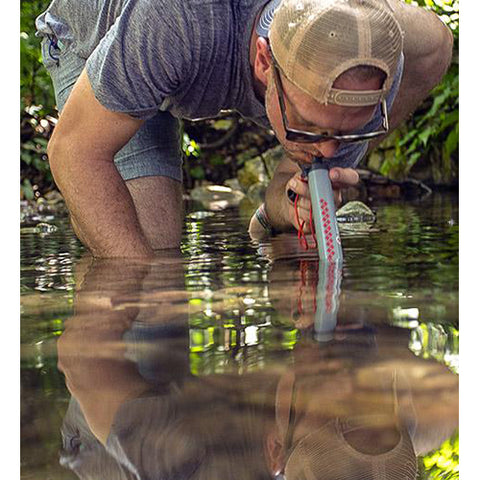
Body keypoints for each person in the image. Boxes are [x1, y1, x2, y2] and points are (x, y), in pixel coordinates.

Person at [36, 0, 453, 257]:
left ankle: (267, 220)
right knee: (147, 264)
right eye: (308, 128)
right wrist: (148, 295)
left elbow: (435, 42)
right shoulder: (180, 18)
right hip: (96, 41)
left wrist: (293, 196)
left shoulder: (372, 48)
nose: (328, 151)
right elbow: (73, 151)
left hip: (185, 52)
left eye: (345, 133)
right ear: (264, 62)